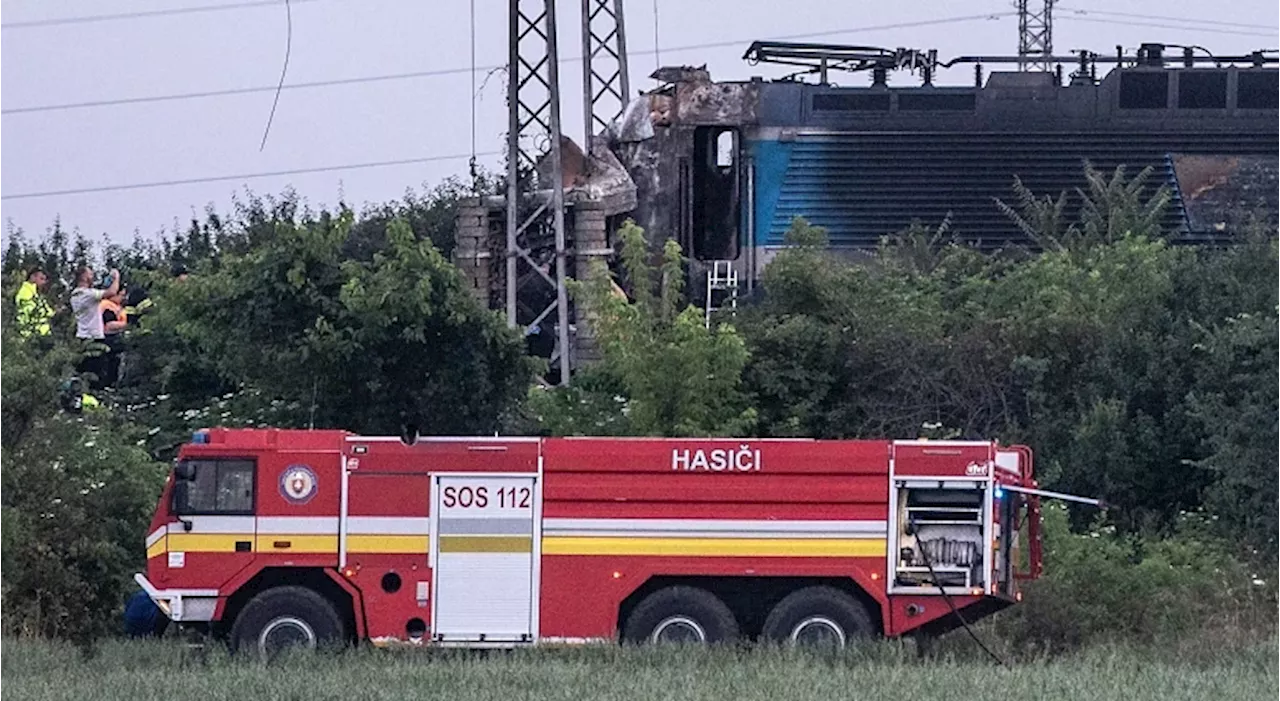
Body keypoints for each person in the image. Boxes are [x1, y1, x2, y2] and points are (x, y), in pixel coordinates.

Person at [70, 265, 119, 390]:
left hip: (82, 337)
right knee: (96, 374)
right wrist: (116, 278)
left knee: (84, 372)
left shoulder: (75, 294)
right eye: (90, 274)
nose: (93, 277)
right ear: (84, 277)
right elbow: (112, 292)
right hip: (94, 338)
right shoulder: (87, 294)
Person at [13, 265, 54, 337]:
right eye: (41, 279)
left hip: (41, 333)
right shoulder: (25, 292)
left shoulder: (36, 294)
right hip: (31, 334)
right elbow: (30, 312)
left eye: (44, 279)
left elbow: (47, 311)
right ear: (32, 277)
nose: (43, 282)